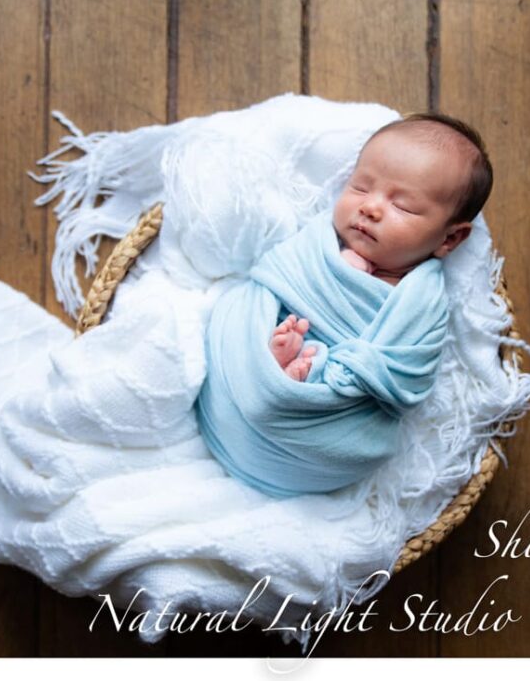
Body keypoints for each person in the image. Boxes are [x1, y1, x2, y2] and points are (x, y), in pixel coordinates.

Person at [195, 114, 492, 491]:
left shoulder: (424, 301)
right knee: (277, 327)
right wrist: (338, 271)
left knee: (315, 367)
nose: (370, 208)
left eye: (403, 206)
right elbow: (274, 279)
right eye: (361, 187)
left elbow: (408, 376)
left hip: (326, 436)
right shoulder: (318, 245)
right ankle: (278, 365)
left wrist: (332, 377)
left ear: (449, 239)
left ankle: (300, 375)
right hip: (240, 386)